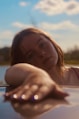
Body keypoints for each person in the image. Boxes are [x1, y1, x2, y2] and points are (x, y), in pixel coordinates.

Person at [4, 27, 79, 102]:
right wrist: (36, 76)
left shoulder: (77, 73)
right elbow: (11, 72)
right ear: (25, 62)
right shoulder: (29, 81)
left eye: (42, 45)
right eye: (31, 55)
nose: (42, 54)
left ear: (51, 42)